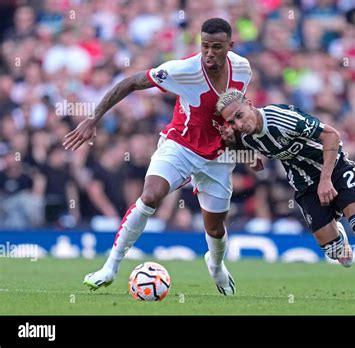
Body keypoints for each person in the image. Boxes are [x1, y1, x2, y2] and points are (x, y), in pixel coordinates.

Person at [63, 18, 252, 296]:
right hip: (181, 145)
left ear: (230, 46)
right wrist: (93, 119)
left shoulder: (244, 69)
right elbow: (130, 82)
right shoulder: (183, 70)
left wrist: (247, 147)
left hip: (218, 157)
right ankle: (111, 266)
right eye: (205, 46)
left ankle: (216, 266)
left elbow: (241, 116)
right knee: (150, 196)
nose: (209, 53)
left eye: (217, 47)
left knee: (215, 228)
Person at [216, 88, 355, 302]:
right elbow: (253, 161)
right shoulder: (245, 135)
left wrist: (326, 180)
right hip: (305, 186)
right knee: (340, 256)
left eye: (239, 115)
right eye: (232, 122)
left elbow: (331, 135)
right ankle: (336, 232)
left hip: (335, 169)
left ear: (250, 105)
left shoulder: (281, 119)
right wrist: (243, 153)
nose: (238, 124)